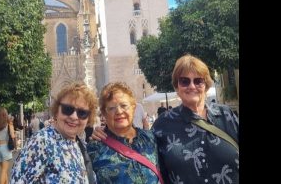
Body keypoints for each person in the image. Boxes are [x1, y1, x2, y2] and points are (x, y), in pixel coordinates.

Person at [153, 55, 238, 184]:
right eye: (185, 81)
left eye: (198, 81)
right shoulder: (162, 125)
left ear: (206, 85)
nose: (192, 86)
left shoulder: (226, 115)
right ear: (177, 87)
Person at [10, 82, 98, 183]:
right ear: (57, 110)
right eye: (67, 109)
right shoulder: (41, 141)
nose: (74, 117)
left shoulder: (79, 143)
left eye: (82, 113)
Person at [86, 82, 161, 183]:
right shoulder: (94, 149)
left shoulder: (151, 138)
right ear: (104, 113)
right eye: (112, 108)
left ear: (133, 108)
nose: (119, 112)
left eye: (124, 105)